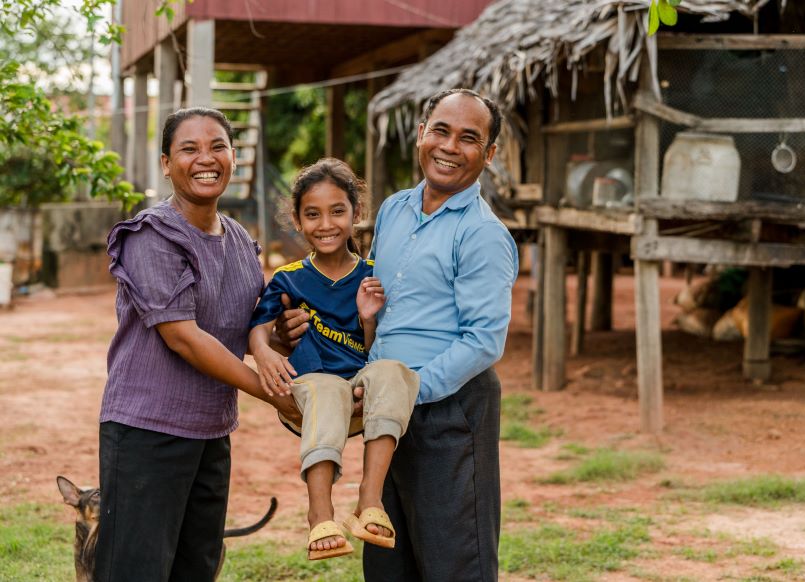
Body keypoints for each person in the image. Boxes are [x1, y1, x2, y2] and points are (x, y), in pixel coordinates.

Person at [278, 89, 519, 581]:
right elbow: (379, 312)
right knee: (388, 559)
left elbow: (483, 341)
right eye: (441, 131)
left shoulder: (483, 234)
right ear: (421, 135)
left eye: (469, 138)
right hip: (385, 414)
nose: (450, 146)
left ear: (488, 155)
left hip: (449, 412)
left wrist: (407, 392)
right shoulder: (393, 210)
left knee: (454, 562)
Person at [96, 107, 300, 581]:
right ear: (167, 163)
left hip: (211, 432)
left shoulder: (240, 241)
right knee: (136, 570)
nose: (205, 159)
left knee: (197, 567)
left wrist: (280, 339)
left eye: (218, 147)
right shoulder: (151, 235)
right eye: (189, 149)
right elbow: (183, 337)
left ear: (233, 157)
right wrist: (272, 392)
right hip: (148, 432)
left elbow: (246, 327)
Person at [247, 158, 419, 561]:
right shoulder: (289, 277)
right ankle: (319, 512)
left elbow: (377, 350)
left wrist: (367, 317)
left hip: (361, 399)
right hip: (309, 396)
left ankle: (369, 500)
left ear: (356, 214)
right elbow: (258, 327)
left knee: (395, 372)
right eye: (313, 214)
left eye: (337, 211)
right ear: (297, 220)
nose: (326, 223)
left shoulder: (374, 276)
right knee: (325, 389)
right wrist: (263, 353)